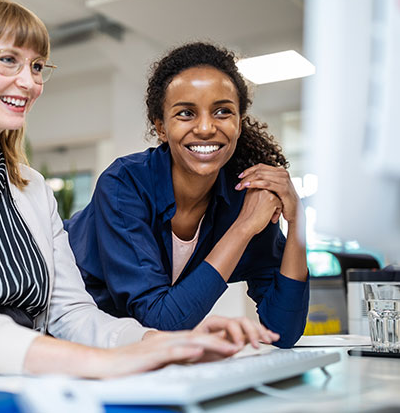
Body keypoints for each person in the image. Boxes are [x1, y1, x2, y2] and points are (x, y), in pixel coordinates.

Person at [0, 0, 277, 384]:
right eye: (9, 60)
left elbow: (71, 314)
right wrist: (88, 363)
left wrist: (169, 343)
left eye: (38, 66)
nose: (29, 82)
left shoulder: (32, 189)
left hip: (23, 379)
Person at [65, 42, 309, 348]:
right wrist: (244, 228)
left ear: (238, 122)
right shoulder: (124, 184)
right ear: (162, 128)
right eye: (186, 113)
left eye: (222, 111)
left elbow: (283, 330)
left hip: (134, 348)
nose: (206, 128)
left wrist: (296, 217)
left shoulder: (243, 196)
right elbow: (161, 320)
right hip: (62, 326)